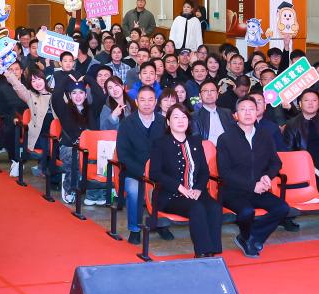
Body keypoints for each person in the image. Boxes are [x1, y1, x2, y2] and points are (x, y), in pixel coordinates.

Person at [213, 96, 289, 257]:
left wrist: (267, 176)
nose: (247, 113)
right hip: (233, 191)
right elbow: (225, 172)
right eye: (243, 109)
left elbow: (276, 163)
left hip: (259, 189)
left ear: (257, 112)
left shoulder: (265, 136)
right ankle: (250, 239)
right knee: (247, 212)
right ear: (235, 115)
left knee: (282, 208)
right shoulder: (225, 138)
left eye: (251, 109)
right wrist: (252, 185)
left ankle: (249, 237)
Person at [148, 104, 224, 257]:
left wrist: (198, 189)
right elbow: (154, 173)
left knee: (215, 208)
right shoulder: (160, 143)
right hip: (171, 195)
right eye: (176, 117)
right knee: (197, 208)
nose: (181, 120)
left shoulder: (195, 141)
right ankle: (202, 253)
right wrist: (179, 187)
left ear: (189, 121)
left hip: (195, 192)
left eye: (184, 117)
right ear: (168, 122)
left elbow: (204, 171)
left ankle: (213, 252)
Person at [115, 86, 164, 243]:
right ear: (136, 102)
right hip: (134, 171)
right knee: (134, 190)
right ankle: (134, 228)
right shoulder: (127, 123)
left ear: (156, 102)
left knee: (168, 186)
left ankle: (161, 224)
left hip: (158, 171)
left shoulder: (164, 122)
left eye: (150, 100)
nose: (147, 103)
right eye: (142, 100)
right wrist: (142, 171)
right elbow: (123, 155)